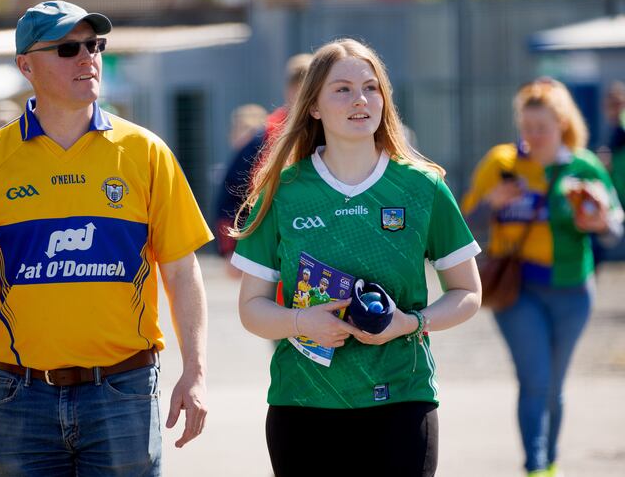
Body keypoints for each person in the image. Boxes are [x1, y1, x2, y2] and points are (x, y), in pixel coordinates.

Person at [0, 0, 213, 476]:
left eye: (94, 45)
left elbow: (181, 271)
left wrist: (195, 373)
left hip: (124, 393)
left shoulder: (146, 153)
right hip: (19, 399)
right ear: (26, 66)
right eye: (68, 48)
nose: (87, 57)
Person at [229, 38, 482, 476]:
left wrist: (411, 323)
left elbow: (467, 292)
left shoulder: (423, 188)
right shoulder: (282, 193)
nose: (360, 99)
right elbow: (252, 309)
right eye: (342, 89)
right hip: (303, 404)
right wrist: (301, 322)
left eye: (371, 87)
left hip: (403, 398)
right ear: (313, 107)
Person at [461, 78, 623, 477]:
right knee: (535, 380)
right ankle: (535, 467)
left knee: (554, 384)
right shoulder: (502, 164)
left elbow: (615, 228)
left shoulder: (583, 166)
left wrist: (600, 223)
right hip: (518, 291)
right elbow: (462, 223)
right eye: (526, 126)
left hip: (573, 291)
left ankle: (549, 462)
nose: (533, 136)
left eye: (542, 127)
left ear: (562, 124)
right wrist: (490, 205)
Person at [214, 54, 313, 277]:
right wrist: (230, 247)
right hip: (274, 241)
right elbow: (232, 190)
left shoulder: (336, 132)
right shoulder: (267, 135)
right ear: (290, 90)